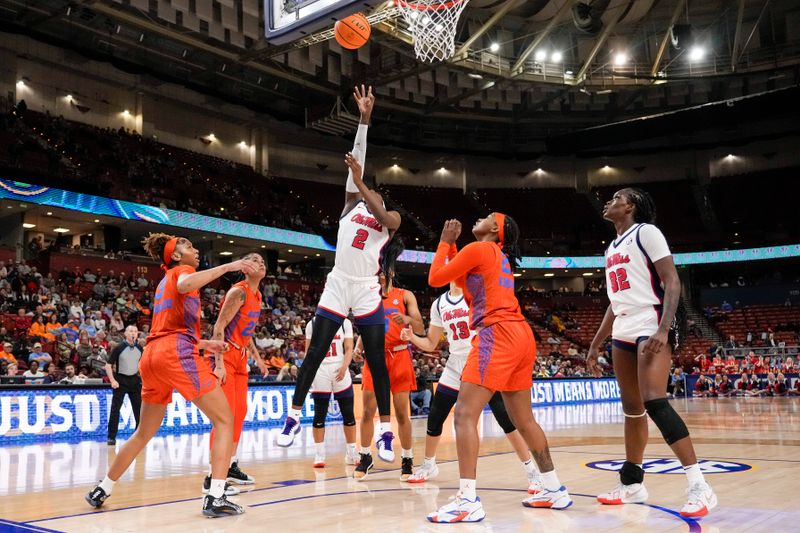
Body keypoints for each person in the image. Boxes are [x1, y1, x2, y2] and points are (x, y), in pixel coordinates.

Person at [85, 232, 258, 518]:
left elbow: (168, 332)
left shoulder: (163, 283)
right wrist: (230, 266)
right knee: (226, 419)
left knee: (142, 432)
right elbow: (186, 283)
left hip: (152, 356)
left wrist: (206, 344)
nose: (194, 248)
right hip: (173, 355)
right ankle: (215, 495)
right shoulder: (182, 271)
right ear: (176, 256)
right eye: (187, 245)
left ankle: (103, 487)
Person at [277, 86, 399, 466]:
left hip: (364, 288)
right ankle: (294, 416)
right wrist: (364, 120)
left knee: (376, 360)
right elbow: (357, 160)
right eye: (365, 190)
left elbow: (380, 209)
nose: (367, 192)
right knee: (315, 349)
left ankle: (384, 431)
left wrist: (363, 185)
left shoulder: (389, 220)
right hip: (338, 280)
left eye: (372, 191)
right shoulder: (350, 205)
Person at [425, 214, 571, 523]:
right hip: (520, 335)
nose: (480, 217)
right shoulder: (496, 257)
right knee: (524, 420)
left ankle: (467, 500)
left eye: (488, 217)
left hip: (496, 334)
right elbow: (464, 286)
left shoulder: (480, 249)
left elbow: (435, 278)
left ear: (495, 230)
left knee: (464, 413)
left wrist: (444, 242)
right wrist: (453, 249)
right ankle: (554, 488)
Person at [588, 188, 717, 518]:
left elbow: (672, 282)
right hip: (623, 325)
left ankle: (699, 486)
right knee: (632, 409)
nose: (609, 202)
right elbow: (614, 304)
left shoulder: (647, 232)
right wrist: (595, 342)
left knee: (654, 401)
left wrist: (663, 327)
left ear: (630, 206)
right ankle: (632, 483)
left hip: (650, 318)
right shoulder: (610, 248)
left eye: (616, 197)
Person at [400, 281, 542, 494]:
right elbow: (431, 344)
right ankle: (429, 465)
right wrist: (412, 338)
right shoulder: (439, 304)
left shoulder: (477, 296)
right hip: (455, 363)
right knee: (436, 415)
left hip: (481, 360)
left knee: (505, 418)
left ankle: (532, 472)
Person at [353, 236, 423, 481]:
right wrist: (359, 345)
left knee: (402, 413)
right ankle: (365, 456)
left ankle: (407, 459)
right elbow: (366, 326)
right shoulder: (369, 296)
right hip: (374, 358)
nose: (379, 274)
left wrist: (407, 321)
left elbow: (420, 325)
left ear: (391, 271)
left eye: (383, 271)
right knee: (368, 410)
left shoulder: (405, 295)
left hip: (400, 356)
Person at [204, 252, 268, 491]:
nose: (260, 262)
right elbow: (218, 327)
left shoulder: (258, 295)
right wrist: (219, 363)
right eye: (253, 260)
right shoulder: (238, 292)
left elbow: (247, 332)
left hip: (241, 357)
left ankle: (229, 466)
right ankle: (212, 476)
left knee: (239, 413)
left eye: (262, 261)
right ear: (244, 268)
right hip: (226, 356)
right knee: (225, 417)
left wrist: (258, 359)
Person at [305, 315, 357, 469]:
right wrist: (308, 377)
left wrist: (344, 366)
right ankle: (319, 454)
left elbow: (349, 348)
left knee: (348, 413)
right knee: (319, 415)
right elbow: (309, 353)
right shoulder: (312, 324)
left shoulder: (345, 322)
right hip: (321, 370)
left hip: (340, 367)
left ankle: (351, 452)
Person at [104, 325, 144, 445]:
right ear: (125, 334)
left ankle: (138, 435)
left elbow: (142, 365)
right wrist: (112, 381)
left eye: (136, 331)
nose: (133, 333)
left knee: (139, 410)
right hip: (120, 381)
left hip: (135, 381)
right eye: (131, 331)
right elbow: (108, 365)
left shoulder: (140, 349)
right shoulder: (119, 348)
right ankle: (111, 437)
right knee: (115, 409)